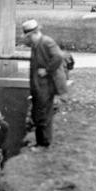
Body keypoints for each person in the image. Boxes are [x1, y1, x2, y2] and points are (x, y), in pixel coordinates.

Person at [22, 19, 68, 148]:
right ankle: (40, 141)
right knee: (39, 112)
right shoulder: (36, 45)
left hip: (47, 85)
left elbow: (58, 57)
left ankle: (44, 143)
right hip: (39, 85)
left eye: (29, 37)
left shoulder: (47, 42)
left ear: (34, 33)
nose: (28, 40)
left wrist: (47, 70)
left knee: (43, 113)